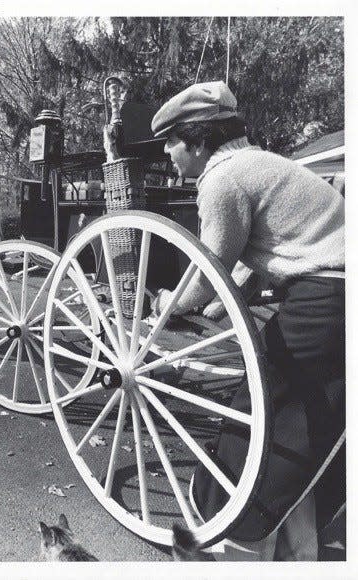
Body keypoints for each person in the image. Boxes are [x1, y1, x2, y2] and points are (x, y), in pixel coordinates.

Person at [144, 81, 344, 560]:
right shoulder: (265, 163)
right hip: (338, 290)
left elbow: (209, 266)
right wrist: (219, 303)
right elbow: (268, 253)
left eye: (171, 141)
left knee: (258, 413)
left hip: (328, 298)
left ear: (195, 139)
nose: (168, 153)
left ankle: (233, 538)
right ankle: (302, 545)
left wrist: (171, 304)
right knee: (315, 418)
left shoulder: (222, 177)